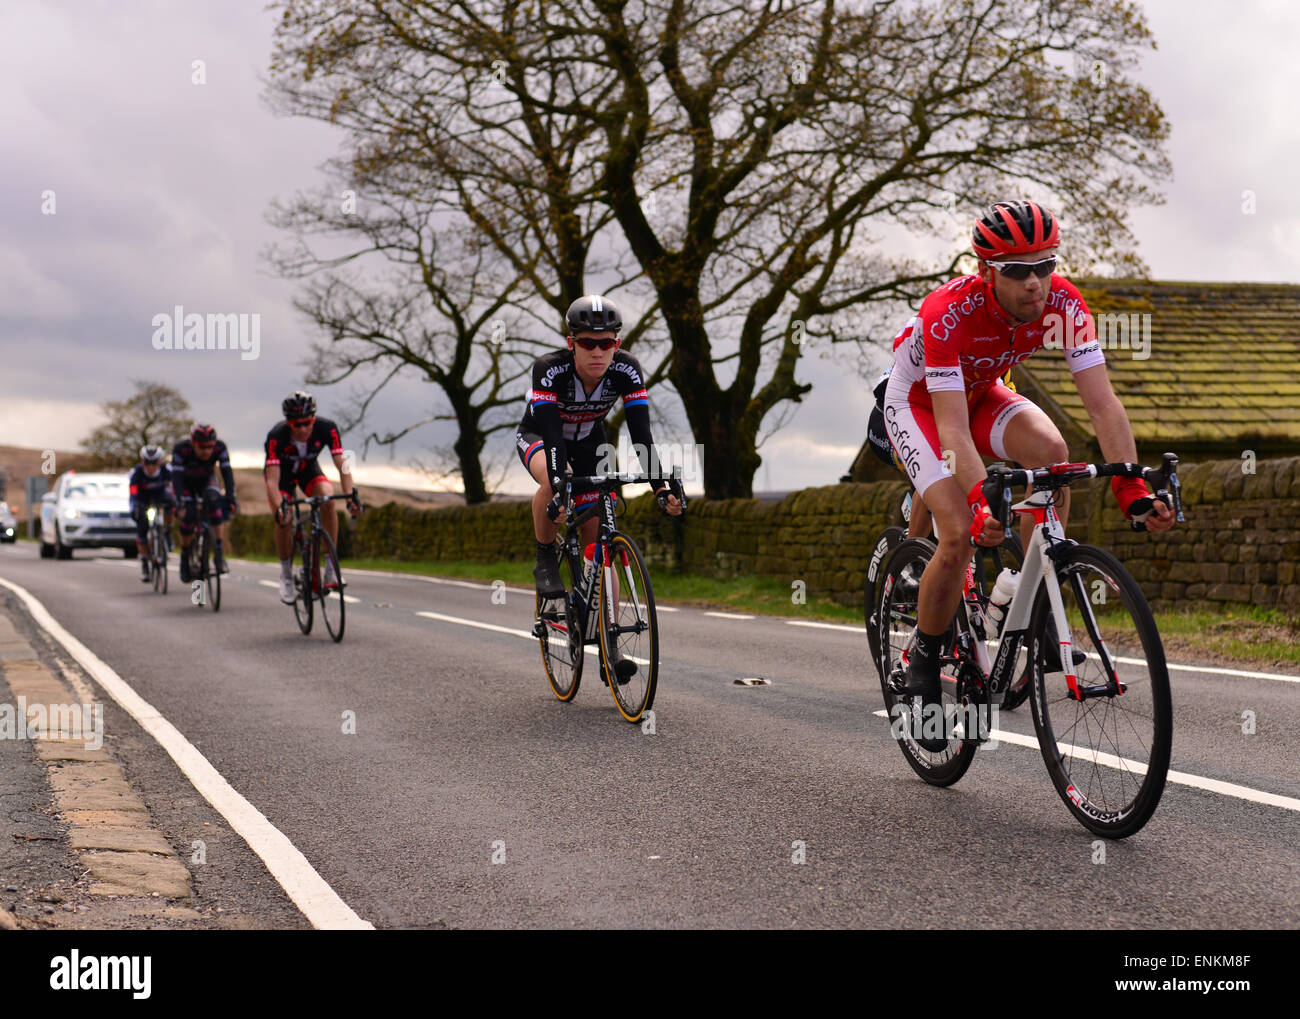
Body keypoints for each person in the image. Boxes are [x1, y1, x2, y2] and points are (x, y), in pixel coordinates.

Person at [881, 200, 1177, 749]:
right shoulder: (949, 311)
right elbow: (952, 430)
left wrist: (1130, 485)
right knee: (956, 533)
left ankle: (1033, 595)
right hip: (921, 404)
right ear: (986, 271)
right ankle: (923, 655)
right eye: (1019, 271)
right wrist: (978, 499)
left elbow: (1104, 406)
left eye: (1046, 265)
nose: (1036, 282)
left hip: (981, 394)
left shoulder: (1064, 302)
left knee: (1052, 451)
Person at [516, 295, 682, 681]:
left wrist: (660, 488)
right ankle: (544, 557)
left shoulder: (627, 371)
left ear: (616, 345)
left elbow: (642, 437)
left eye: (605, 342)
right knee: (557, 475)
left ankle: (608, 644)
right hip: (542, 438)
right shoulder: (549, 370)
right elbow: (554, 439)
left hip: (591, 443)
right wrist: (560, 486)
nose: (597, 351)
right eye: (587, 343)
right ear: (571, 343)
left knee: (600, 549)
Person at [264, 391, 360, 604]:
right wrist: (280, 507)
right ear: (289, 423)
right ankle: (286, 574)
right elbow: (272, 480)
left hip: (309, 471)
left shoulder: (328, 428)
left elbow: (342, 465)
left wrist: (351, 495)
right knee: (285, 518)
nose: (303, 429)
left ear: (314, 419)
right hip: (283, 477)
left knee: (329, 500)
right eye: (297, 425)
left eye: (307, 423)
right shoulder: (276, 436)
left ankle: (330, 568)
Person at [172, 423, 237, 582]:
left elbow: (227, 473)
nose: (207, 451)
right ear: (193, 443)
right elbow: (177, 479)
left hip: (207, 481)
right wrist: (180, 501)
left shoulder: (220, 448)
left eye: (209, 447)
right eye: (202, 447)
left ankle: (219, 553)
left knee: (215, 504)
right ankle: (185, 556)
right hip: (186, 484)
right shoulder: (181, 449)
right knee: (189, 515)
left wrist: (231, 497)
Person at [128, 444, 176, 581]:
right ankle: (144, 564)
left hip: (160, 494)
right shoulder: (136, 472)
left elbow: (174, 487)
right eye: (147, 463)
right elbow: (132, 493)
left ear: (159, 462)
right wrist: (134, 508)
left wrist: (176, 501)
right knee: (141, 529)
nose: (150, 467)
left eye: (154, 463)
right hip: (142, 498)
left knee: (171, 503)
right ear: (142, 462)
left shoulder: (167, 470)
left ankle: (167, 531)